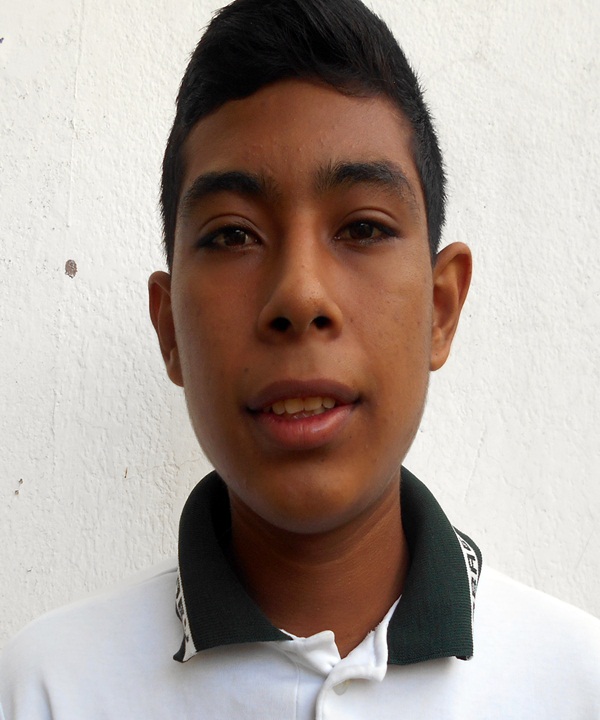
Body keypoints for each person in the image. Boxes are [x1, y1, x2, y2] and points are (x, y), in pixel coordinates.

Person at [1, 0, 599, 717]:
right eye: (233, 235)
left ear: (440, 309)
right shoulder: (49, 690)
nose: (300, 294)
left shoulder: (574, 685)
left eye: (363, 227)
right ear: (169, 330)